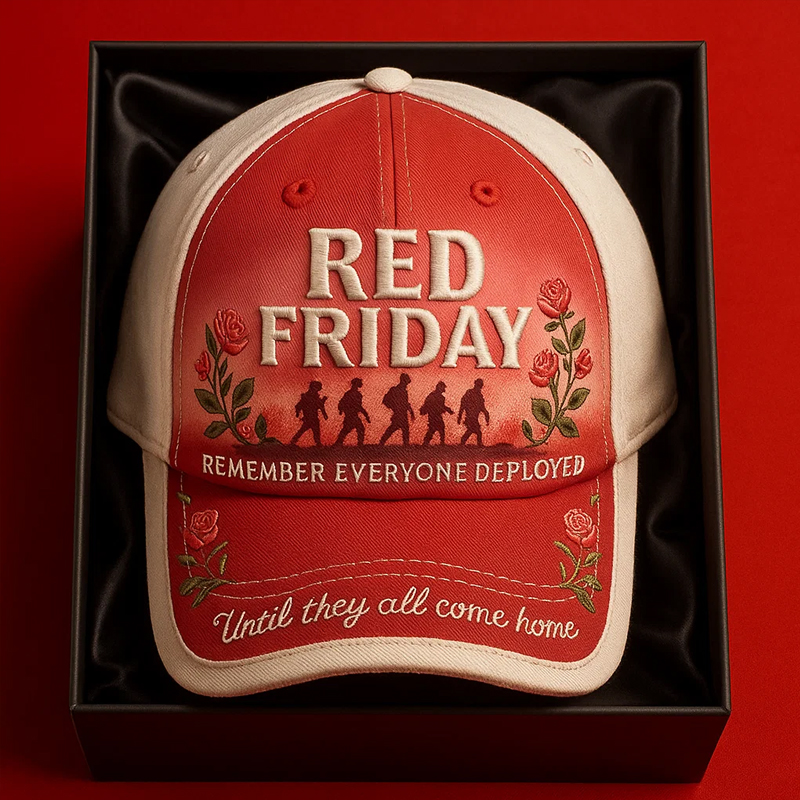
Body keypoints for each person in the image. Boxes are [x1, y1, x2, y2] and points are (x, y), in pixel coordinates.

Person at [379, 373, 415, 445]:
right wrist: (394, 407)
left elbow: (406, 403)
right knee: (396, 428)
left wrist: (411, 411)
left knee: (401, 429)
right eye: (407, 381)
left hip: (402, 413)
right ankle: (382, 442)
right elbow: (385, 400)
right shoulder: (396, 390)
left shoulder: (403, 390)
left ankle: (382, 442)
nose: (407, 383)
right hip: (399, 413)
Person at [334, 378, 371, 446]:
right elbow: (358, 406)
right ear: (356, 384)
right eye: (360, 382)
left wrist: (341, 410)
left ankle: (338, 443)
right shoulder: (356, 394)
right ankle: (359, 444)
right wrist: (366, 415)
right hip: (352, 415)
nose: (361, 384)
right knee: (358, 429)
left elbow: (341, 403)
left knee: (347, 430)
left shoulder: (349, 393)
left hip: (350, 415)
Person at [290, 380, 327, 446]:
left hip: (313, 418)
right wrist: (297, 412)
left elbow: (320, 406)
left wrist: (324, 413)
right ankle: (293, 441)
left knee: (315, 431)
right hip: (309, 418)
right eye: (318, 388)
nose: (318, 390)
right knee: (305, 430)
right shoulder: (307, 397)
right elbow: (298, 406)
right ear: (313, 388)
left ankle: (318, 443)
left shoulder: (313, 397)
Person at [420, 381, 454, 445]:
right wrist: (448, 410)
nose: (444, 389)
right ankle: (438, 443)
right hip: (433, 415)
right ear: (439, 387)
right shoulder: (434, 396)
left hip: (435, 415)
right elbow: (428, 404)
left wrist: (448, 410)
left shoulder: (438, 396)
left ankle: (428, 443)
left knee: (436, 429)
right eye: (443, 387)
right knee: (437, 429)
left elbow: (441, 406)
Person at [458, 378, 490, 446]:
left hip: (474, 418)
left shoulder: (479, 396)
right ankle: (477, 445)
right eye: (478, 385)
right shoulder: (469, 393)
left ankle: (463, 443)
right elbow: (462, 405)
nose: (479, 387)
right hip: (469, 417)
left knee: (473, 431)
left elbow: (482, 408)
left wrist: (487, 416)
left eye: (480, 386)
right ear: (475, 384)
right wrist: (459, 417)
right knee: (477, 432)